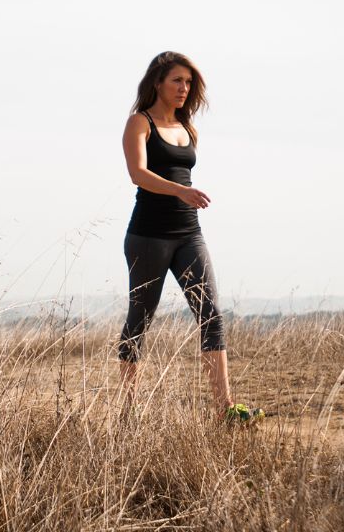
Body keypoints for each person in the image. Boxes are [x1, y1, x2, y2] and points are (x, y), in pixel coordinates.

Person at [119, 51, 264, 425]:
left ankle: (225, 409)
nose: (184, 88)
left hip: (189, 234)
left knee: (211, 314)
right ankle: (127, 413)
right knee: (140, 319)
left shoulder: (186, 127)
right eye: (177, 81)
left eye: (188, 82)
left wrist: (185, 197)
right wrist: (180, 191)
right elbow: (137, 173)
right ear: (158, 83)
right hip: (148, 235)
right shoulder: (140, 122)